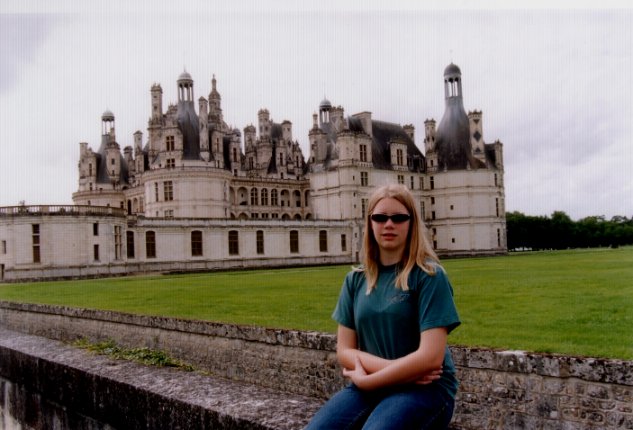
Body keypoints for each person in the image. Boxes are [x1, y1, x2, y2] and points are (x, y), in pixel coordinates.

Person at [306, 184, 461, 430]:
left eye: (398, 218)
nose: (389, 224)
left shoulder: (429, 276)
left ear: (412, 223)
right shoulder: (355, 280)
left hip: (425, 390)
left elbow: (431, 358)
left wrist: (369, 380)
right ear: (370, 223)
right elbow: (345, 351)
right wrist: (386, 374)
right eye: (380, 217)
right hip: (376, 383)